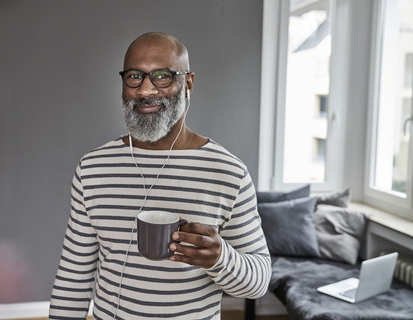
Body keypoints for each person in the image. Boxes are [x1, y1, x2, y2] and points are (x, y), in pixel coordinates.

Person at [49, 32, 271, 320]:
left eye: (162, 76)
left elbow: (259, 282)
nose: (145, 91)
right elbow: (73, 277)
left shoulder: (229, 172)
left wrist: (219, 258)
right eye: (134, 77)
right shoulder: (92, 168)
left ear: (187, 84)